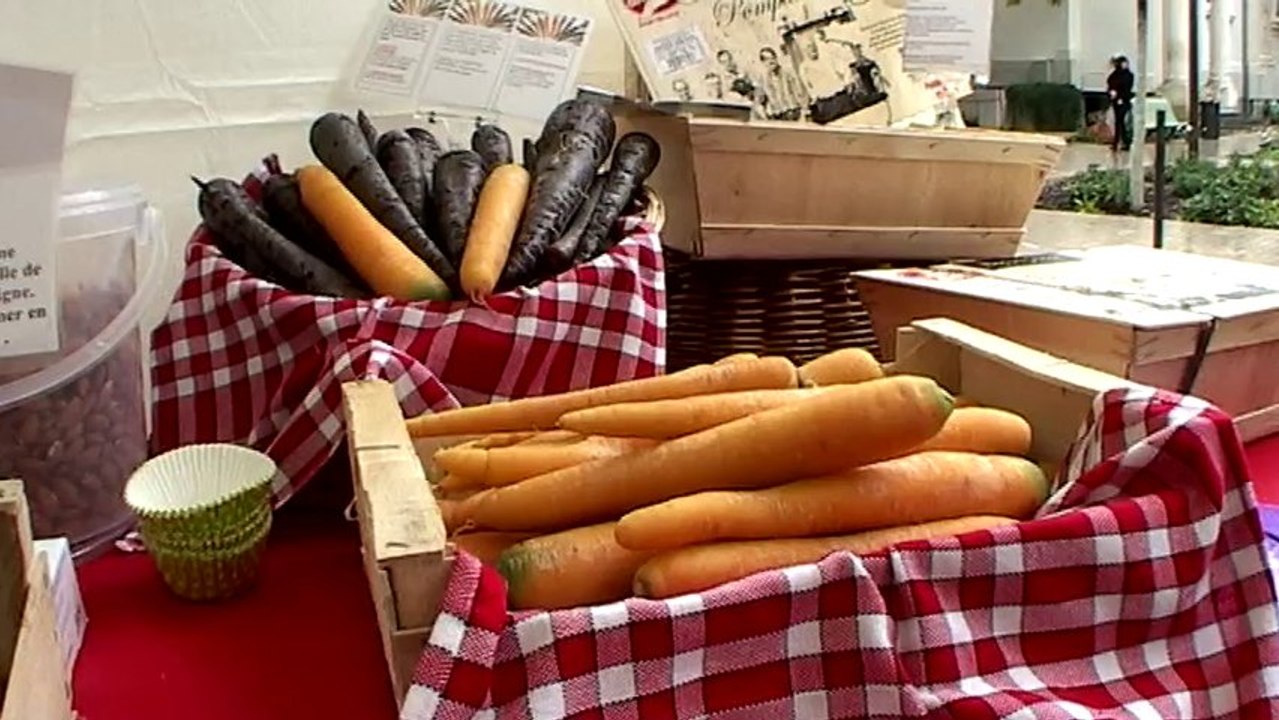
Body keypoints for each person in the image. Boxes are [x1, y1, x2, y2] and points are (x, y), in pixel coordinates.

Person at [758, 46, 809, 121]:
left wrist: (803, 114)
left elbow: (801, 93)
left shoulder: (788, 73)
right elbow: (759, 102)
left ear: (776, 58)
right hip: (777, 116)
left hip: (793, 113)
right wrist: (765, 118)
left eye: (773, 58)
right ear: (763, 62)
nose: (771, 61)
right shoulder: (764, 79)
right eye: (767, 59)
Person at [1107, 54, 1135, 153]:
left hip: (1124, 100)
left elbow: (1127, 87)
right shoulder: (1114, 75)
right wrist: (1111, 92)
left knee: (1121, 121)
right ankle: (1119, 142)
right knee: (1119, 121)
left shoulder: (1129, 75)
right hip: (1116, 100)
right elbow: (1110, 83)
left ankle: (1122, 142)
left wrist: (1120, 96)